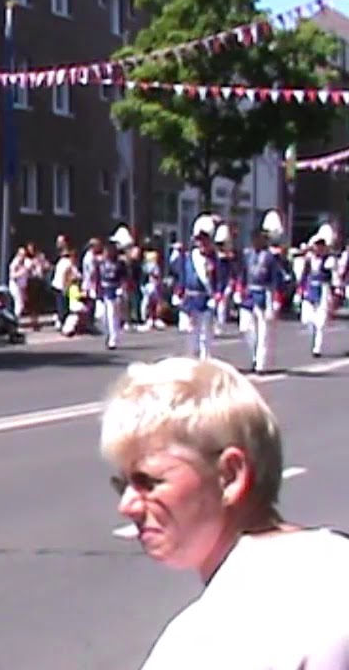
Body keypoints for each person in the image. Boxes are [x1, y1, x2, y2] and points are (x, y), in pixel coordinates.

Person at [99, 357, 349, 669]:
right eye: (121, 484)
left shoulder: (210, 640)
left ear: (229, 476)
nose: (127, 505)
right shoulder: (335, 559)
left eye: (149, 482)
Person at [237, 210, 285, 374]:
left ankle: (260, 364)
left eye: (259, 238)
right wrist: (239, 289)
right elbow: (242, 274)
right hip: (249, 294)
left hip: (264, 295)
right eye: (254, 238)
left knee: (263, 331)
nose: (256, 241)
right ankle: (254, 354)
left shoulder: (270, 258)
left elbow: (276, 279)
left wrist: (276, 300)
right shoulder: (247, 255)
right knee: (246, 328)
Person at [175, 213, 219, 360]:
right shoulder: (189, 257)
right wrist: (178, 292)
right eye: (199, 240)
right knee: (191, 332)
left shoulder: (215, 259)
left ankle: (205, 360)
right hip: (191, 299)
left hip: (206, 298)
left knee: (205, 334)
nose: (201, 243)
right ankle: (192, 359)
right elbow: (182, 276)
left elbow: (219, 279)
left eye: (204, 240)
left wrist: (217, 295)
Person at [299, 224, 337, 358]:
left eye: (321, 245)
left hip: (323, 289)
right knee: (306, 319)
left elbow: (334, 278)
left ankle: (317, 348)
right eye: (317, 245)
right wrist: (301, 289)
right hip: (310, 289)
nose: (318, 248)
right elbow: (304, 275)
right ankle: (313, 330)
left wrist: (335, 293)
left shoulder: (329, 260)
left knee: (320, 321)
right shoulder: (309, 260)